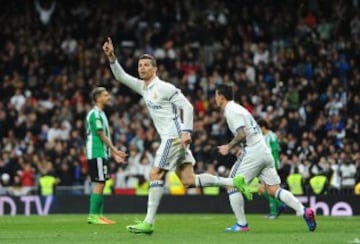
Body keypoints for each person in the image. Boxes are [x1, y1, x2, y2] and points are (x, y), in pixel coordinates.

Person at [102, 37, 248, 234]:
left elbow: (187, 106)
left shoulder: (164, 87)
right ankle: (233, 182)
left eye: (146, 65)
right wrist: (112, 58)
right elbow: (121, 77)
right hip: (174, 136)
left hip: (174, 136)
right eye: (139, 65)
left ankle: (148, 223)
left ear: (155, 69)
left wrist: (187, 131)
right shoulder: (143, 88)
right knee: (189, 180)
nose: (142, 68)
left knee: (154, 174)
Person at [215, 84, 316, 232]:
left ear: (221, 97)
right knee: (273, 189)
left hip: (254, 152)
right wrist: (242, 148)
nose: (215, 99)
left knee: (231, 184)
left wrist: (228, 147)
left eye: (216, 96)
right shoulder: (240, 109)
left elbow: (242, 133)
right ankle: (304, 211)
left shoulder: (230, 110)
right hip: (263, 150)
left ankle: (242, 224)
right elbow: (249, 132)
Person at [86, 87, 127, 224]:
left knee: (102, 182)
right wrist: (114, 150)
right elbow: (100, 134)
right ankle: (93, 215)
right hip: (96, 151)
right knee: (99, 182)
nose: (108, 97)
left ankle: (99, 215)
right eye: (105, 95)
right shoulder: (95, 114)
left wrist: (111, 153)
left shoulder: (101, 113)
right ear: (98, 98)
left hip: (101, 152)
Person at [258, 119, 287, 219]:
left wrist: (273, 165)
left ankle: (274, 212)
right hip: (263, 165)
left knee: (269, 188)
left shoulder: (272, 136)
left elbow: (275, 151)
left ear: (263, 127)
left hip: (270, 165)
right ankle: (279, 205)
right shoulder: (262, 137)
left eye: (259, 127)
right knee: (261, 189)